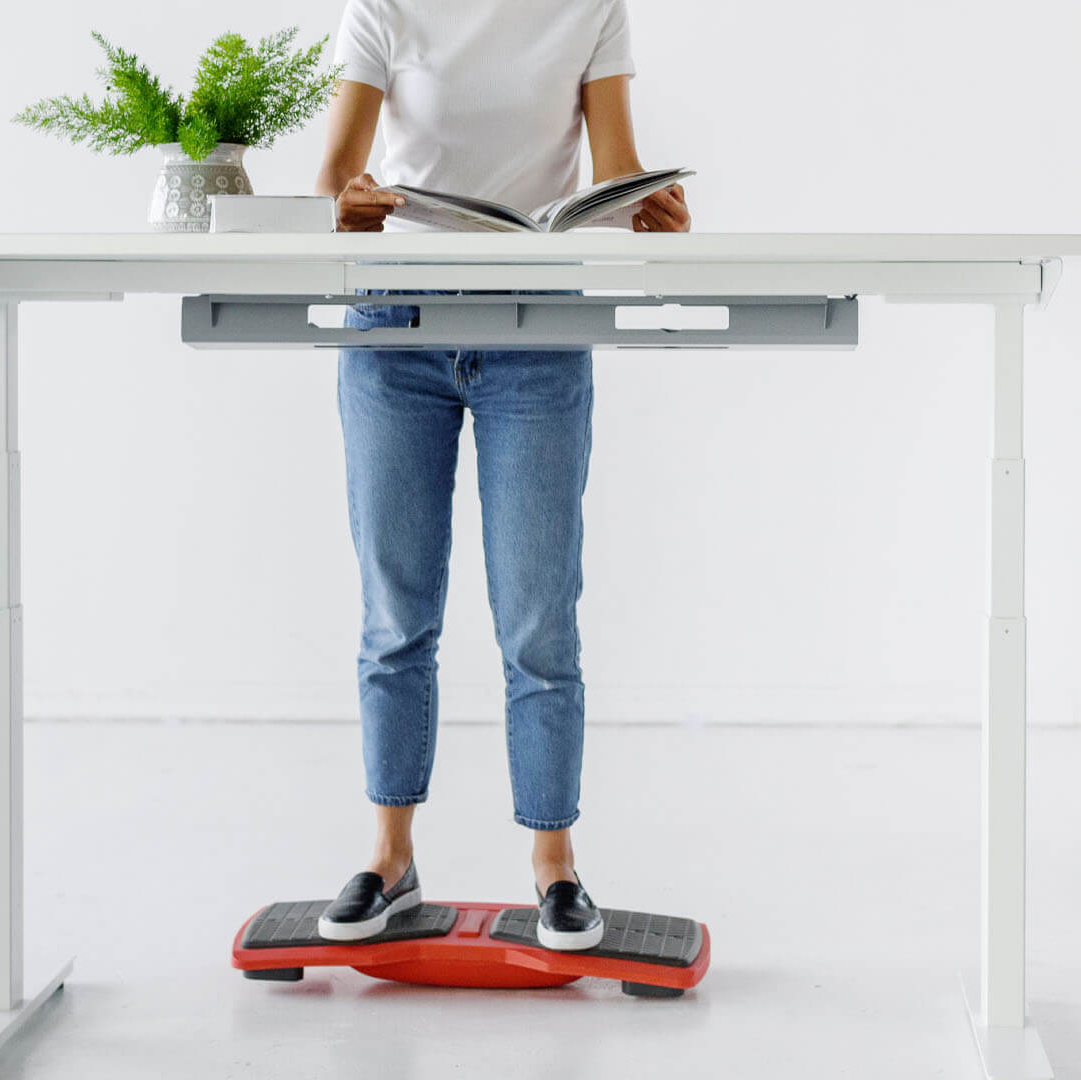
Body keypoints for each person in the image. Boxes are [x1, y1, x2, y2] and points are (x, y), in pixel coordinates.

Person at [309, 0, 690, 951]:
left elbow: (613, 173)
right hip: (394, 330)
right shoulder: (383, 8)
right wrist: (349, 208)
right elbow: (332, 179)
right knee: (396, 613)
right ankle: (389, 859)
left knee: (537, 619)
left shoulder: (592, 9)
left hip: (538, 329)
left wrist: (646, 208)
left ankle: (555, 865)